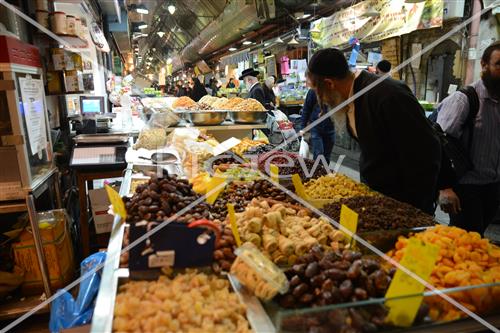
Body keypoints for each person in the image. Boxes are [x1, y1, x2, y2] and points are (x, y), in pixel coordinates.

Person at [307, 48, 441, 214]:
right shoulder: (352, 97)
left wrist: (412, 208)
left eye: (316, 91)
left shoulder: (388, 94)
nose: (321, 99)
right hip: (377, 197)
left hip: (405, 203)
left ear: (329, 84)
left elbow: (427, 147)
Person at [436, 41, 500, 235]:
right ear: (484, 65)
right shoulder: (464, 100)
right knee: (467, 241)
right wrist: (444, 187)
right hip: (466, 188)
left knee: (473, 241)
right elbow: (439, 143)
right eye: (499, 64)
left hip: (494, 186)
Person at [299, 88, 336, 164]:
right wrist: (303, 127)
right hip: (316, 128)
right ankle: (316, 173)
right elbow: (306, 109)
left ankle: (324, 174)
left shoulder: (335, 89)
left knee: (326, 155)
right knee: (319, 153)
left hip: (331, 128)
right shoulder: (313, 90)